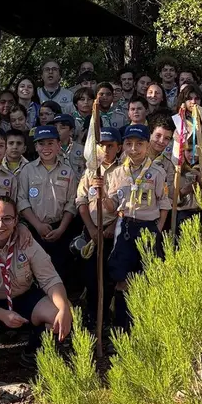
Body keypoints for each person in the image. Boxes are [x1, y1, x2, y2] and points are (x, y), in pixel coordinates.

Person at [0, 196, 72, 380]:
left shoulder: (26, 242)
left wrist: (64, 308)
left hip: (24, 298)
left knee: (59, 313)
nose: (0, 224)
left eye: (7, 218)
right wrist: (2, 315)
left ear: (16, 221)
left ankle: (35, 351)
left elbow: (49, 278)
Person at [91, 124, 170, 329]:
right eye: (129, 144)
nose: (134, 148)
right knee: (122, 279)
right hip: (125, 227)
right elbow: (112, 207)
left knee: (149, 278)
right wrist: (102, 195)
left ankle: (146, 325)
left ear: (147, 146)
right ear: (123, 146)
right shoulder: (118, 173)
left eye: (139, 144)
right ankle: (121, 328)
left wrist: (158, 228)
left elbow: (163, 203)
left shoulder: (157, 172)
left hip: (148, 228)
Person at [74, 127, 121, 329]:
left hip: (114, 232)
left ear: (118, 148)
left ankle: (108, 317)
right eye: (101, 145)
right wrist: (92, 229)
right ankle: (92, 315)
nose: (105, 149)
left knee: (110, 277)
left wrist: (112, 226)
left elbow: (126, 206)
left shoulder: (124, 171)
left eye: (110, 146)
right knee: (91, 278)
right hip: (92, 231)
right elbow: (81, 201)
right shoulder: (90, 172)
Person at [17, 126, 79, 280]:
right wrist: (37, 225)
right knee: (33, 272)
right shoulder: (27, 170)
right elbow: (22, 200)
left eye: (50, 143)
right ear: (36, 147)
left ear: (59, 145)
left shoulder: (68, 171)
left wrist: (62, 229)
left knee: (59, 270)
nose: (46, 148)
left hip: (60, 229)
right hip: (33, 230)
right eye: (41, 144)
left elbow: (71, 203)